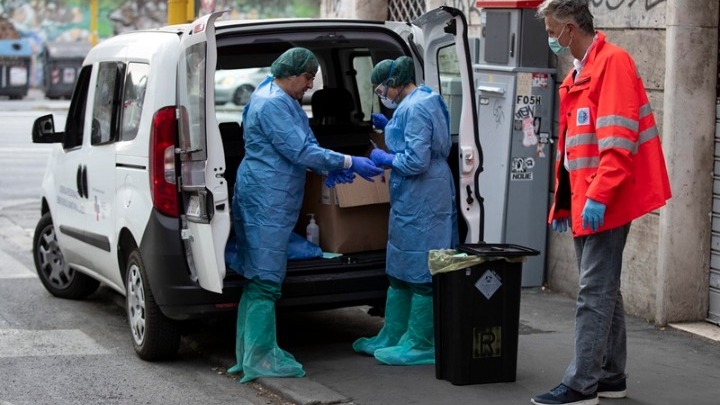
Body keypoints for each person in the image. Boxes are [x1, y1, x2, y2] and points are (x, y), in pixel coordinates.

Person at [532, 1, 671, 404]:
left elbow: (618, 142)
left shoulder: (612, 64)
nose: (550, 39)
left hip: (604, 198)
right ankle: (610, 375)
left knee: (593, 292)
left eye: (552, 31)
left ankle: (582, 384)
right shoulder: (581, 71)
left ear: (570, 29)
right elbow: (573, 149)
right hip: (589, 197)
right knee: (604, 288)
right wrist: (563, 203)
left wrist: (597, 197)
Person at [227, 47, 384, 383]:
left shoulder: (279, 97)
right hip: (266, 200)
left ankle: (249, 354)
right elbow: (300, 150)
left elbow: (302, 142)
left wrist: (329, 169)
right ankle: (260, 359)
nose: (311, 85)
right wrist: (348, 161)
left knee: (258, 279)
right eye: (308, 77)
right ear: (291, 73)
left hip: (267, 196)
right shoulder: (273, 104)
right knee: (264, 280)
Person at [352, 56, 457, 365]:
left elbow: (416, 160)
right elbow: (414, 136)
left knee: (421, 269)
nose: (382, 94)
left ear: (395, 82)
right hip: (412, 196)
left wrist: (384, 158)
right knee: (400, 267)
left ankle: (421, 343)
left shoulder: (417, 107)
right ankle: (394, 333)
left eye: (381, 88)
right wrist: (392, 126)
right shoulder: (416, 101)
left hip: (425, 193)